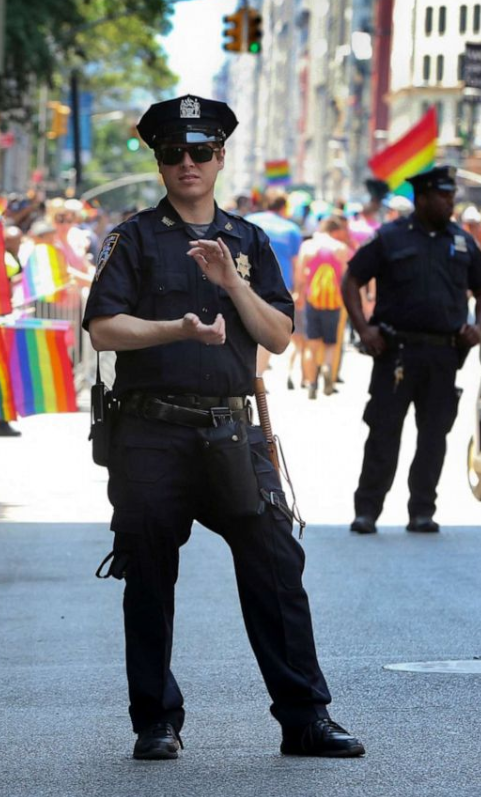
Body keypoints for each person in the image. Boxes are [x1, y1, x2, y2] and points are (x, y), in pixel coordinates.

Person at [83, 94, 364, 761]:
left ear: (219, 158)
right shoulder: (133, 238)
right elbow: (102, 326)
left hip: (229, 432)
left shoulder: (248, 240)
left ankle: (304, 716)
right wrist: (175, 328)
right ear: (158, 162)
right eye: (173, 153)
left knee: (274, 564)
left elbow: (279, 335)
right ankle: (155, 719)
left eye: (200, 151)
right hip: (151, 432)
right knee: (148, 574)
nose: (187, 163)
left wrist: (232, 285)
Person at [342, 166, 481, 535]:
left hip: (444, 356)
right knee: (383, 433)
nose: (450, 202)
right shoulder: (390, 237)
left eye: (451, 195)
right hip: (395, 353)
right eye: (443, 196)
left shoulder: (463, 242)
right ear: (422, 198)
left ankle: (422, 510)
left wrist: (477, 327)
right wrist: (363, 328)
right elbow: (352, 278)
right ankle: (367, 510)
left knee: (434, 436)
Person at [244, 194, 303, 384]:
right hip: (280, 289)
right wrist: (298, 290)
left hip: (248, 285)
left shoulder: (249, 222)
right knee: (268, 331)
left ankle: (248, 372)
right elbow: (297, 263)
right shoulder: (292, 229)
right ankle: (257, 376)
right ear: (284, 208)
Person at [296, 215, 352, 398]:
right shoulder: (341, 248)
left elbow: (300, 277)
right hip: (333, 301)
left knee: (311, 345)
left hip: (312, 300)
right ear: (335, 231)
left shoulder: (308, 246)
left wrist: (300, 295)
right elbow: (345, 278)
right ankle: (328, 368)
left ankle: (311, 384)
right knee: (330, 343)